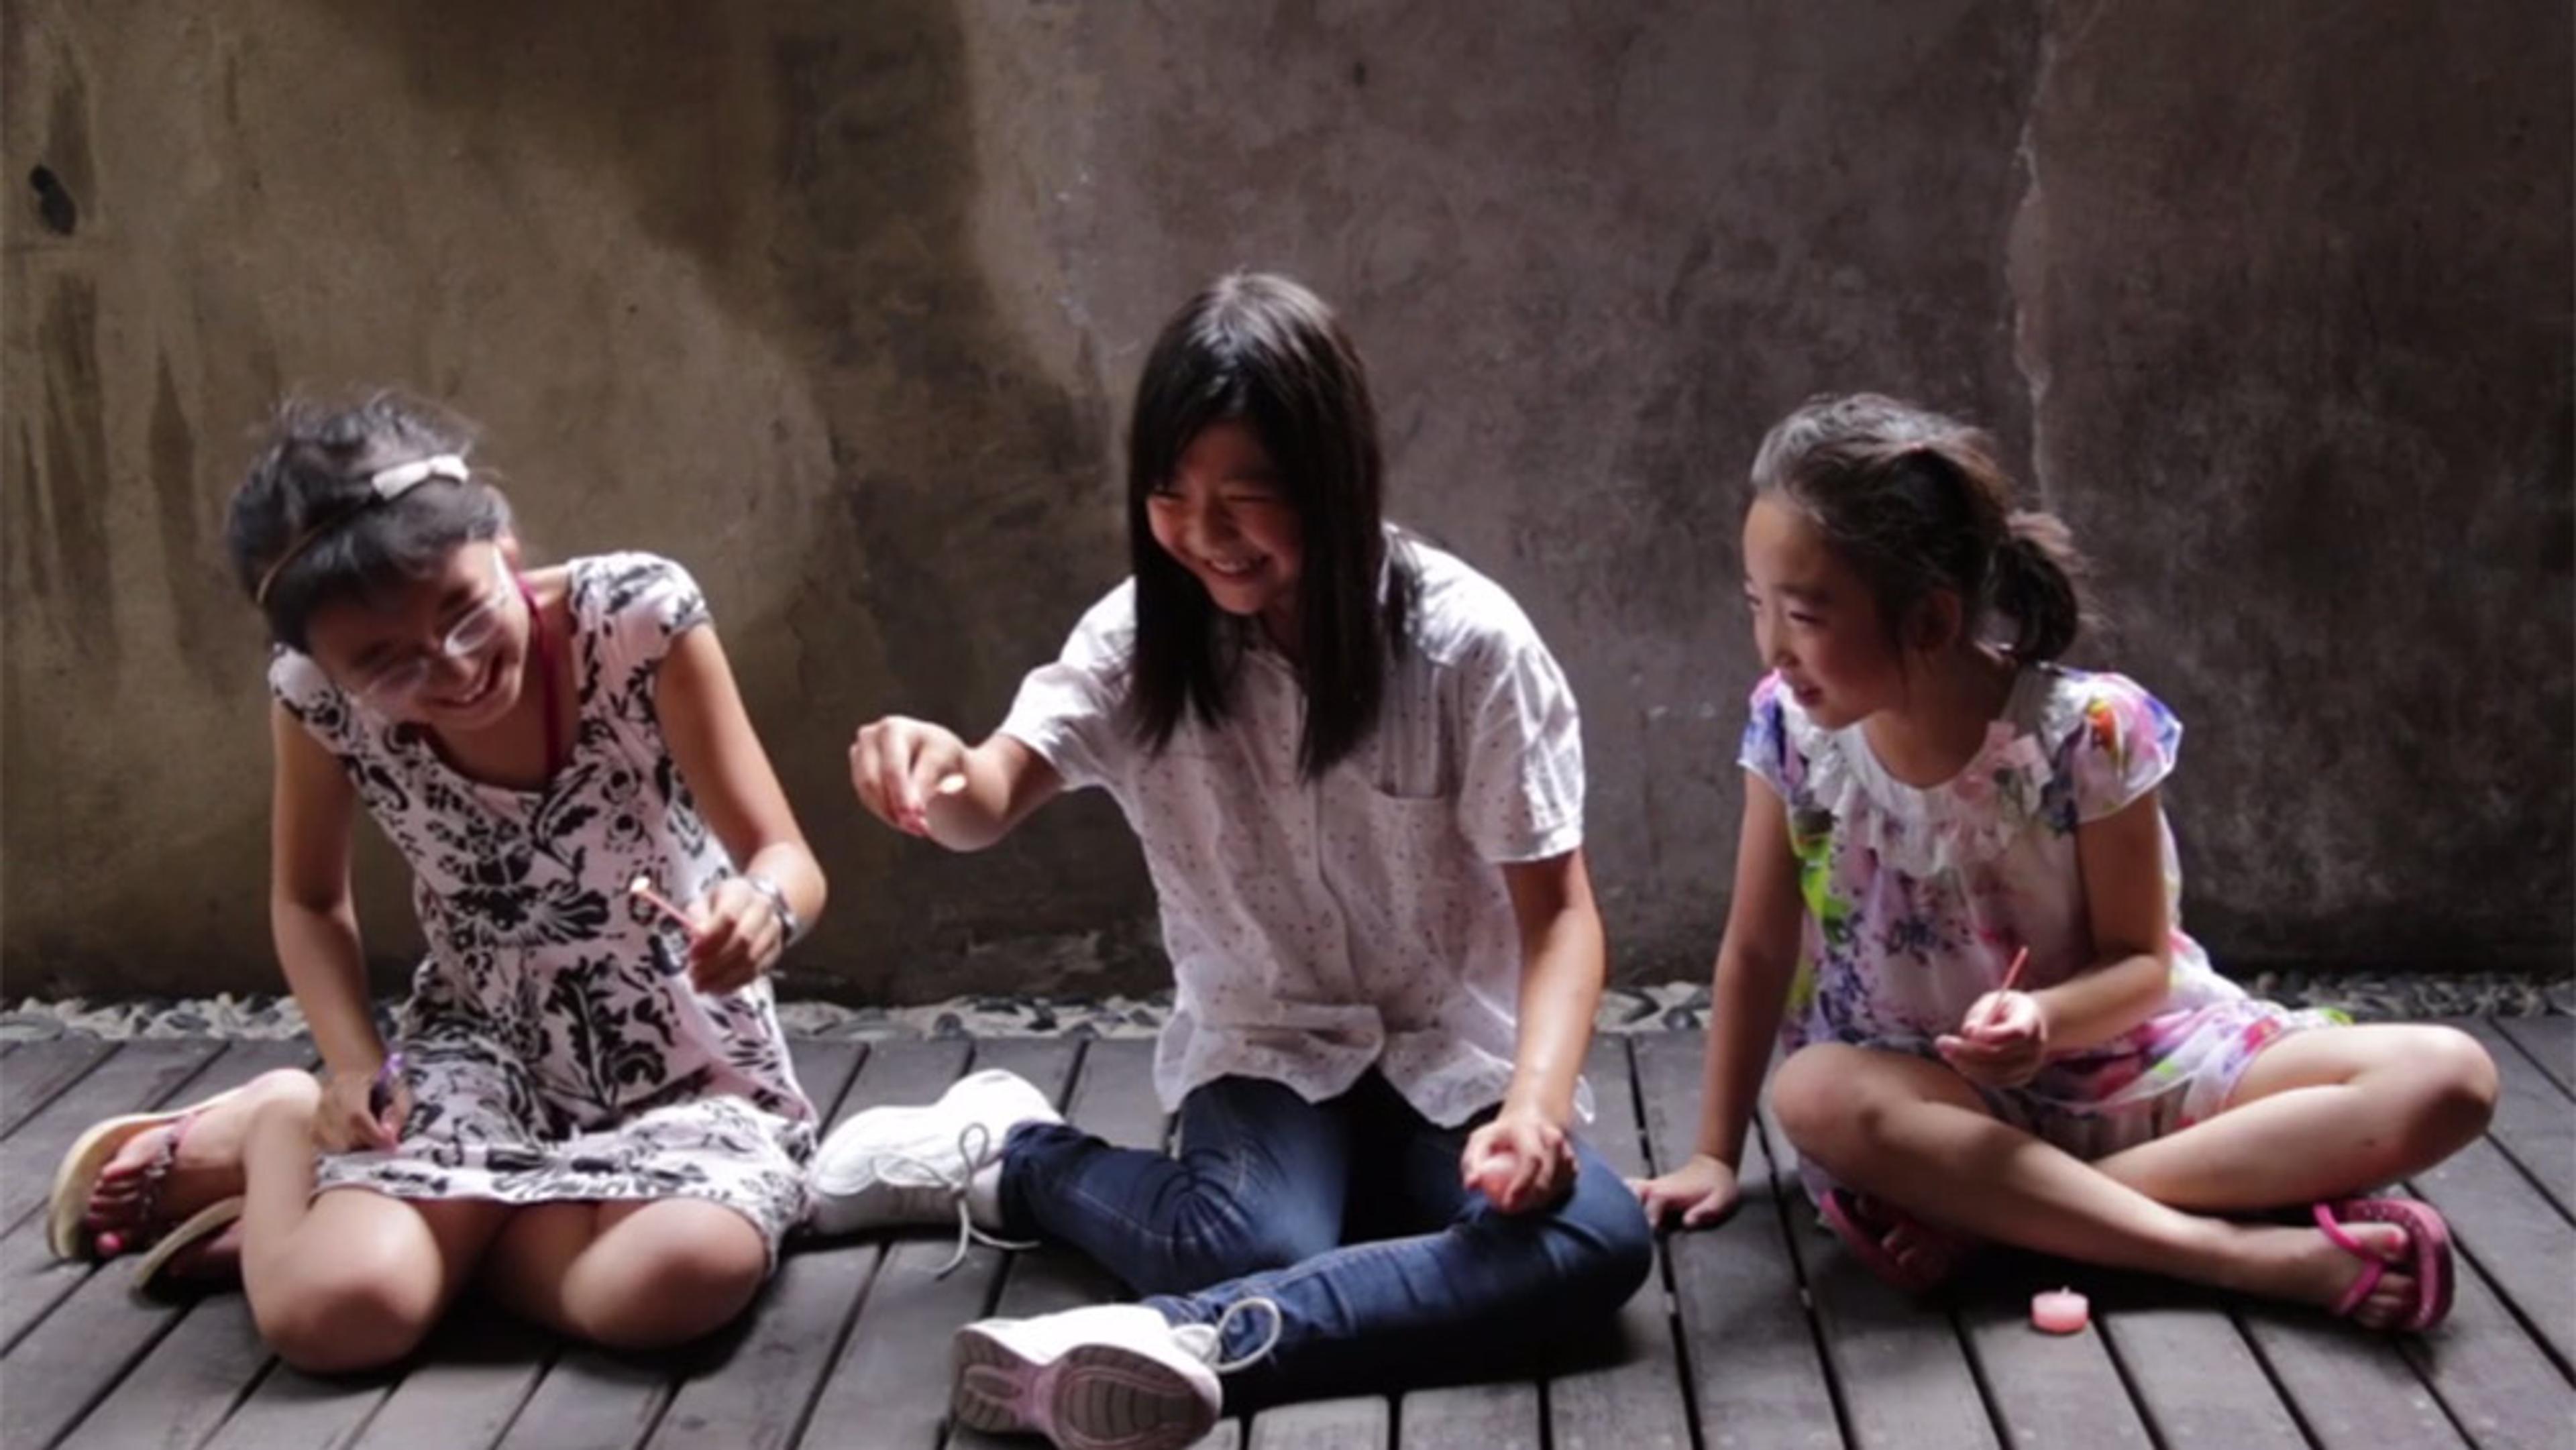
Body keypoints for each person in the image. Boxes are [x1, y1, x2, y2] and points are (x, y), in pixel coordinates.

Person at [822, 274, 1652, 1449]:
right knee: (1255, 1236)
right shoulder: (1138, 641)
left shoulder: (1470, 646)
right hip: (1266, 1047)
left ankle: (1196, 1336)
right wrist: (932, 767)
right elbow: (988, 797)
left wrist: (1536, 1106)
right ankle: (1015, 1154)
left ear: (1334, 481)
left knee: (1598, 1240)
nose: (1203, 534)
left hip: (1447, 1061)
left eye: (1247, 498)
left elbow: (1561, 916)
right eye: (1170, 494)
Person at [1631, 392, 2496, 1332]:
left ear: (1929, 620)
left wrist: (2044, 1017)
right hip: (1939, 1108)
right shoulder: (1791, 732)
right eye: (1759, 607)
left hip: (2136, 1071)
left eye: (1803, 615)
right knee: (1816, 1094)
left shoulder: (2089, 732)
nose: (1772, 648)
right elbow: (1759, 951)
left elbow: (2141, 964)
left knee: (2450, 1077)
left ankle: (2019, 1219)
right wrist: (1714, 1153)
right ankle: (2240, 1254)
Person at [48, 394, 826, 1371]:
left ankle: (405, 1235)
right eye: (385, 662)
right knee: (338, 1315)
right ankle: (281, 1127)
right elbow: (308, 901)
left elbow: (787, 856)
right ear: (317, 661)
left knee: (676, 1277)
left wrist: (764, 908)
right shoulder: (312, 700)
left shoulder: (639, 619)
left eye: (464, 612)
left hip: (691, 1062)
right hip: (478, 1047)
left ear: (503, 542)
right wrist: (348, 1066)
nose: (452, 670)